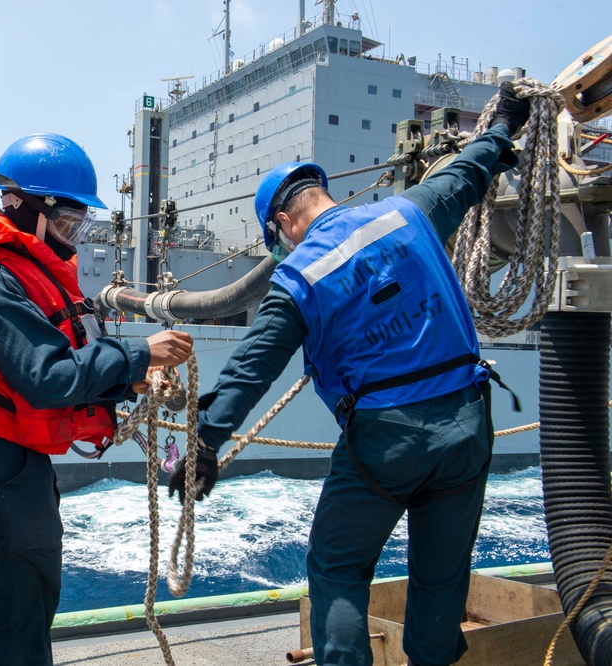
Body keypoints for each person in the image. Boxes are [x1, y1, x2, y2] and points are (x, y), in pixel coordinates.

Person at [169, 83, 532, 666]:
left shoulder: (299, 277)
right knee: (441, 577)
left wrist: (205, 443)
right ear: (324, 193)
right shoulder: (411, 211)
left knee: (338, 568)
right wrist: (502, 126)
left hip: (385, 439)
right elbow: (469, 171)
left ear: (285, 221)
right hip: (467, 424)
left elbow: (252, 368)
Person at [0, 133, 194, 664]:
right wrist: (136, 356)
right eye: (66, 225)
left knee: (22, 614)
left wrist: (127, 381)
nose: (72, 239)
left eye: (77, 227)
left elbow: (46, 373)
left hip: (6, 466)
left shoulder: (12, 273)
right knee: (13, 626)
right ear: (29, 210)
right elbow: (48, 376)